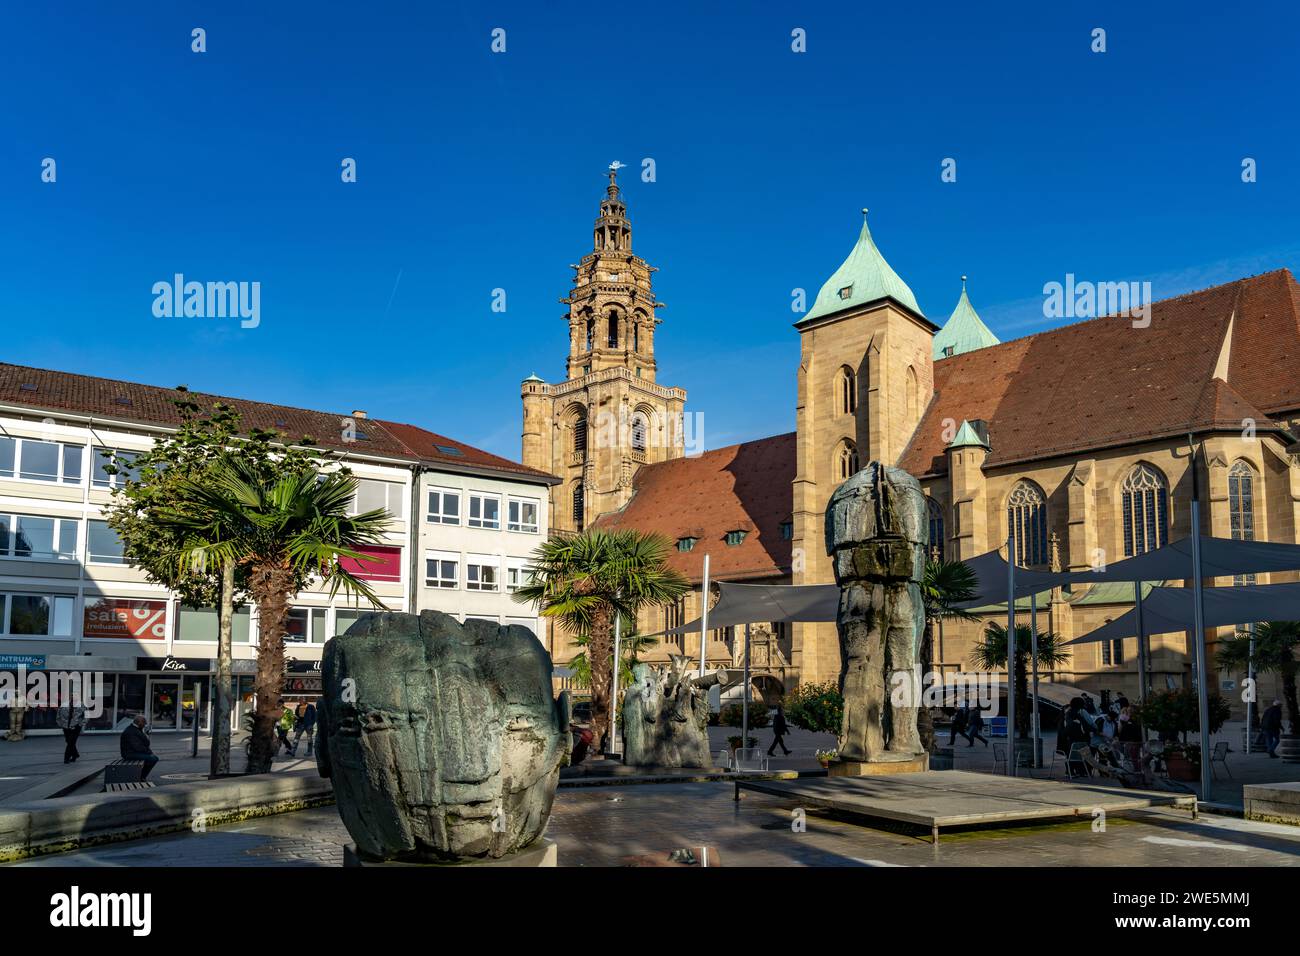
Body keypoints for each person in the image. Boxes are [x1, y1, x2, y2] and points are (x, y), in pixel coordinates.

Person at [120, 715, 159, 779]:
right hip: (129, 754)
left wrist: (146, 735)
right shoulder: (131, 731)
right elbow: (137, 747)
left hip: (133, 752)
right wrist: (149, 753)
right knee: (153, 759)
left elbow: (145, 743)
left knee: (152, 758)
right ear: (139, 723)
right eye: (144, 722)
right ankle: (141, 776)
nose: (145, 724)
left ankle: (140, 776)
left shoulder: (137, 729)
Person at [56, 693, 88, 763]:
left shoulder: (81, 705)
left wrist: (81, 724)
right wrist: (60, 723)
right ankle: (75, 755)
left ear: (79, 697)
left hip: (76, 726)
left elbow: (86, 716)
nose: (74, 697)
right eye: (73, 695)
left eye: (76, 695)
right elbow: (58, 714)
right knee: (68, 741)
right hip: (66, 726)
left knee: (71, 742)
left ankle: (66, 758)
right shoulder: (64, 704)